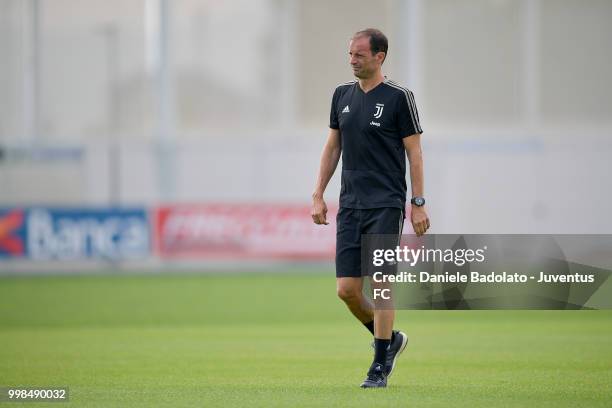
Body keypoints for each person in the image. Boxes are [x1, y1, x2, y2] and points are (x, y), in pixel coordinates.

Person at [311, 28, 430, 388]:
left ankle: (379, 366)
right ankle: (389, 340)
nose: (352, 60)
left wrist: (418, 204)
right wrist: (318, 193)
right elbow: (333, 147)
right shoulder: (341, 95)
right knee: (346, 290)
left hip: (385, 204)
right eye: (350, 54)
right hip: (350, 205)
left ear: (379, 56)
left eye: (359, 54)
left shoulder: (399, 97)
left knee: (380, 285)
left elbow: (415, 154)